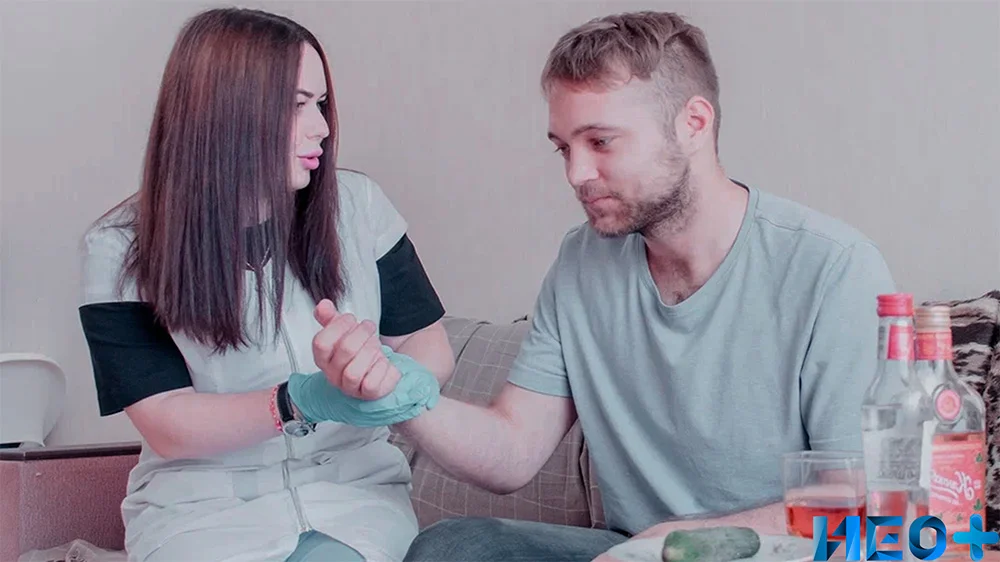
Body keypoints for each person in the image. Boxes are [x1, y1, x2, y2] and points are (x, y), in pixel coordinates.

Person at [334, 10, 888, 562]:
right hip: (628, 553)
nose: (576, 173)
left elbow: (862, 501)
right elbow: (513, 448)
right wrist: (393, 395)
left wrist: (679, 543)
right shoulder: (583, 262)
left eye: (600, 142)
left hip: (772, 553)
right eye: (564, 147)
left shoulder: (832, 269)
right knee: (456, 547)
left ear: (694, 123)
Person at [77, 8, 453, 562]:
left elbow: (427, 342)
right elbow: (168, 423)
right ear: (224, 110)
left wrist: (394, 380)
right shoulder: (119, 248)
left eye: (321, 103)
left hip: (353, 498)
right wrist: (298, 400)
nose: (322, 127)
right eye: (297, 105)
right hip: (201, 513)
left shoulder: (359, 208)